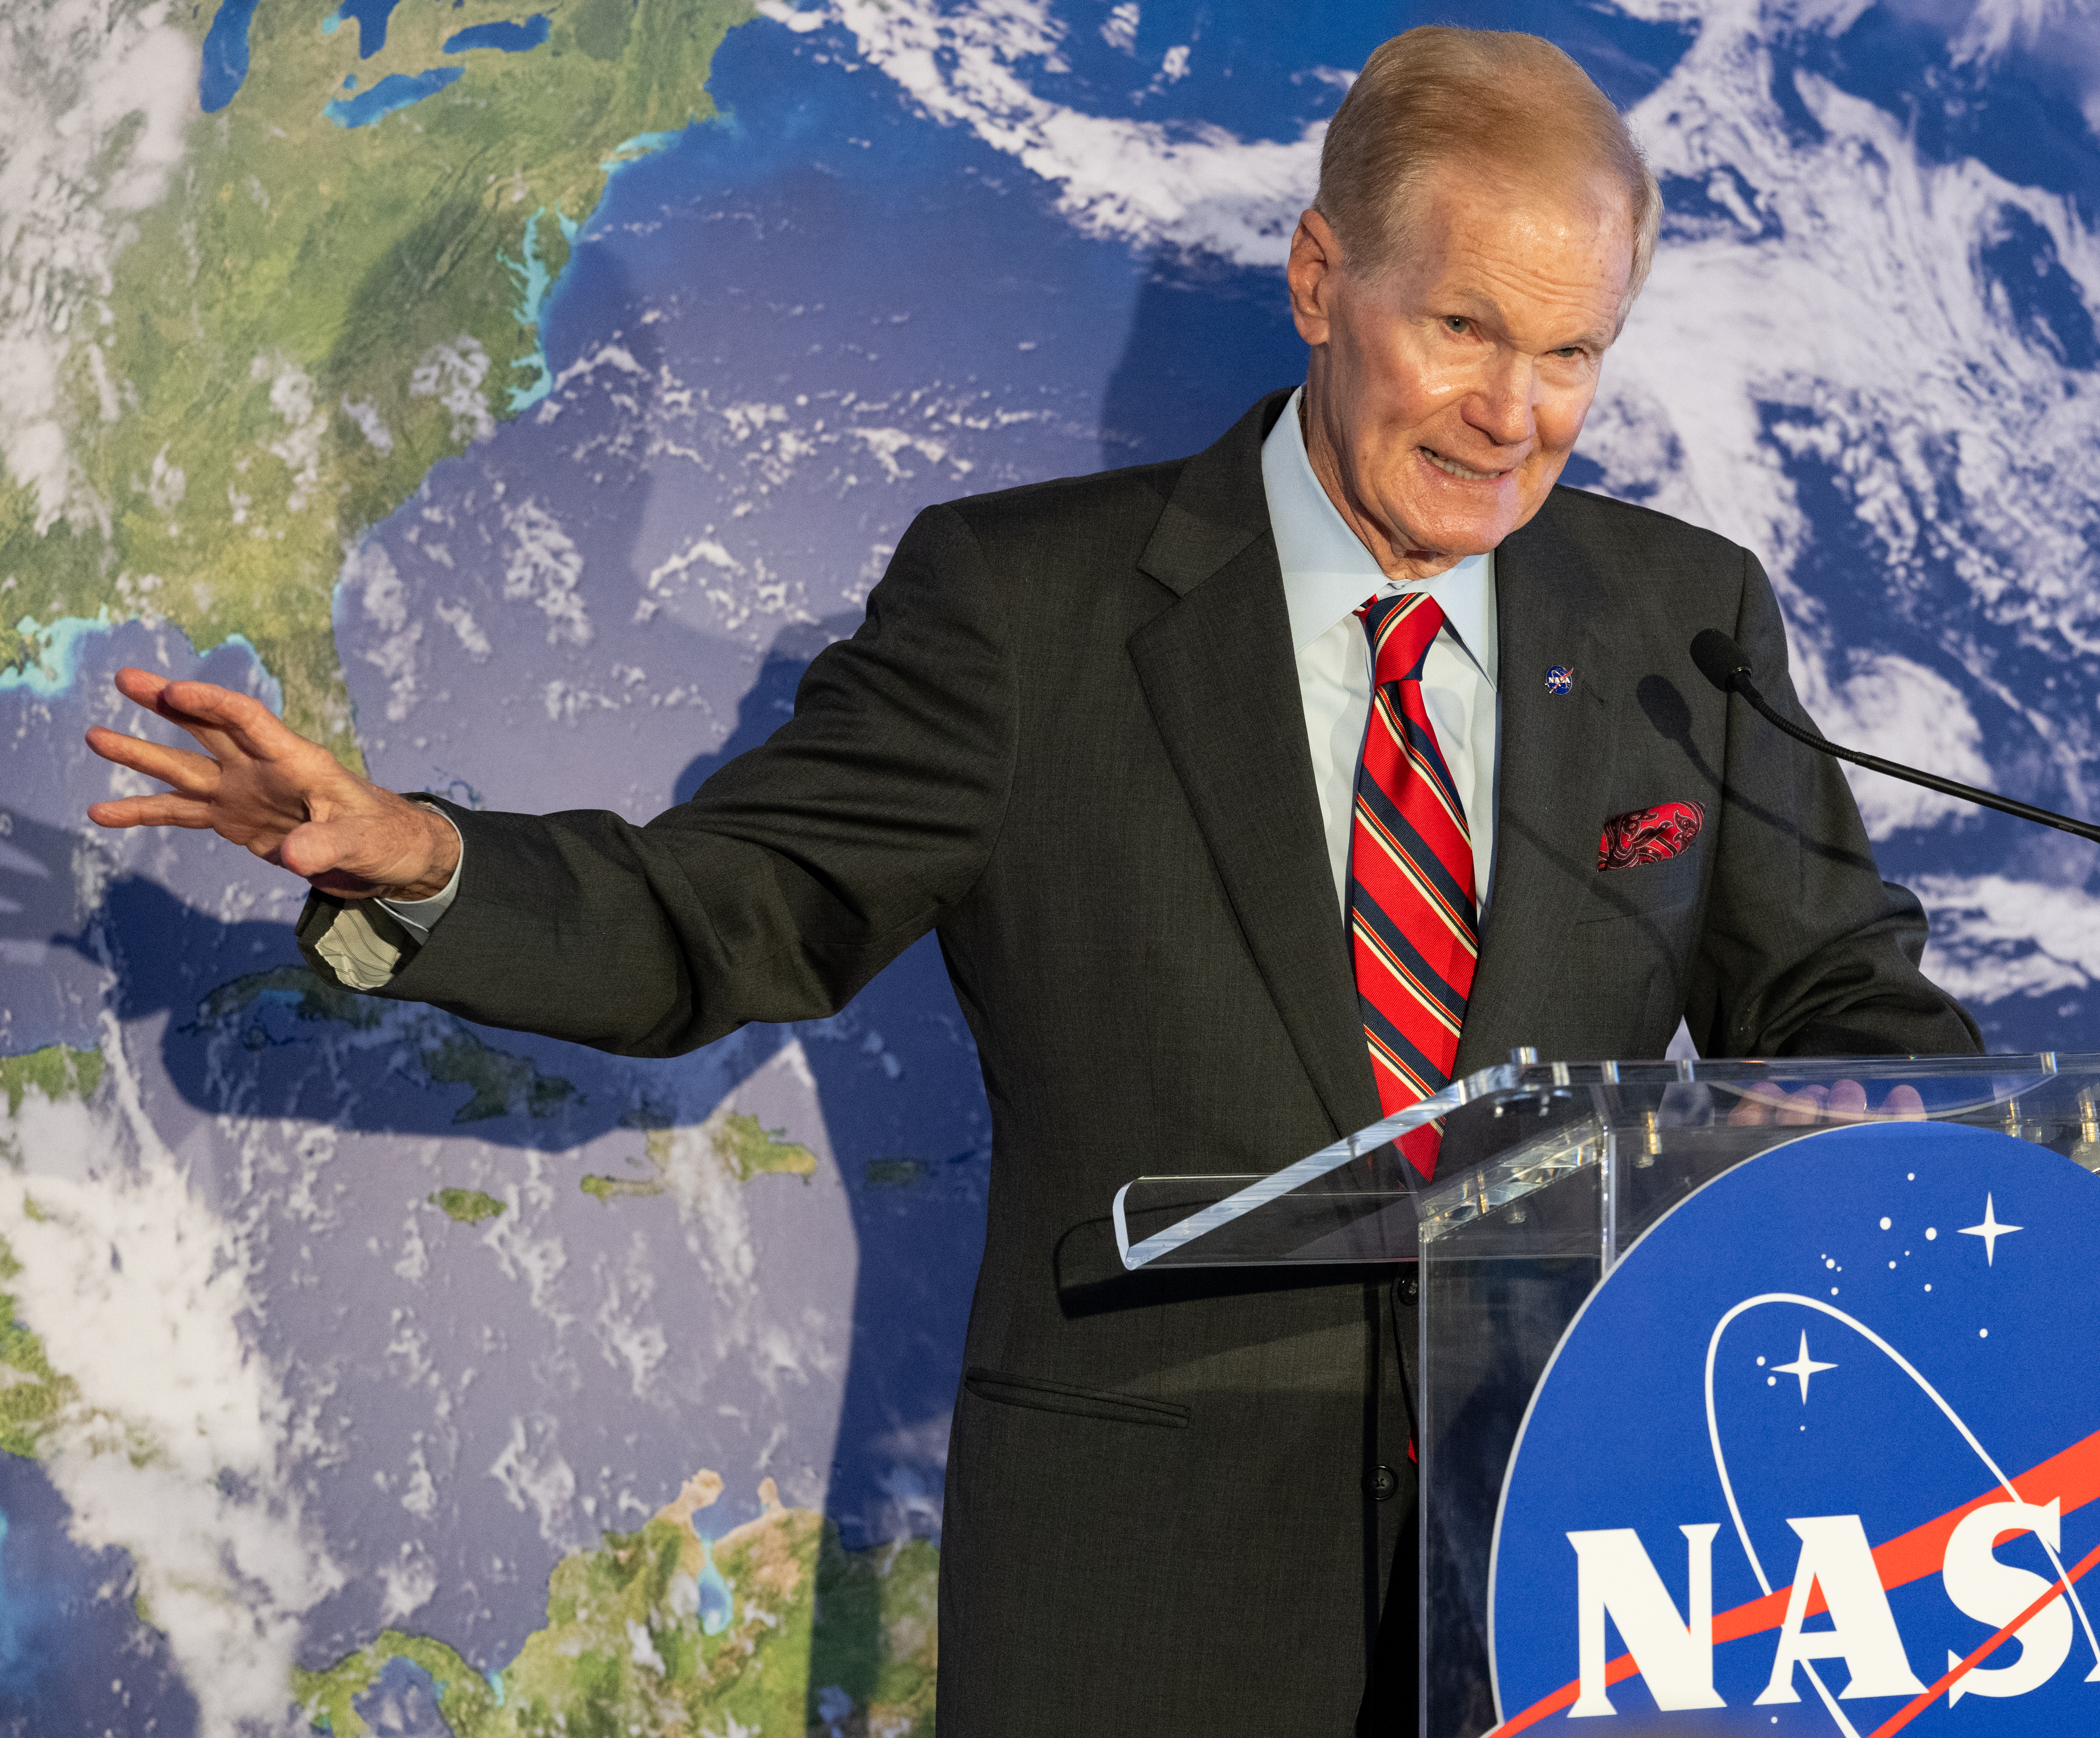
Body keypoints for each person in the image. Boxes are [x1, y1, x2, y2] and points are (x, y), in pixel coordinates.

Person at [86, 26, 1978, 1735]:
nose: (1518, 415)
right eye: (1468, 330)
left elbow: (1850, 1009)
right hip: (1147, 1592)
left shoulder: (1677, 621)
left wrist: (1870, 1120)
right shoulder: (1028, 612)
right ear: (1323, 281)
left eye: (1573, 353)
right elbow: (728, 916)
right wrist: (416, 855)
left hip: (1595, 1573)